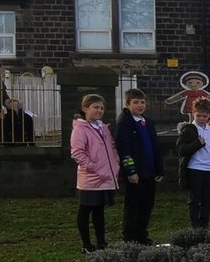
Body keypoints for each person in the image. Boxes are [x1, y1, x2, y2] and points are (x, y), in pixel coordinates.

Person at [70, 94, 120, 252]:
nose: (99, 110)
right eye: (95, 107)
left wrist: (116, 161)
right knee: (85, 210)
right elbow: (77, 153)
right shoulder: (80, 129)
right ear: (85, 108)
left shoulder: (103, 127)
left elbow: (111, 146)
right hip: (90, 178)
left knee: (99, 211)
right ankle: (86, 245)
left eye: (102, 108)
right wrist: (93, 167)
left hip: (104, 176)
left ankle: (101, 243)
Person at [116, 88, 164, 244]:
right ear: (128, 104)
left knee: (146, 206)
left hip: (149, 171)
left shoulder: (147, 122)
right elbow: (124, 149)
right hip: (136, 173)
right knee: (134, 206)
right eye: (136, 102)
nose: (140, 105)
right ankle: (130, 237)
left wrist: (159, 168)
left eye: (142, 102)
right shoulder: (125, 122)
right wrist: (130, 171)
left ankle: (142, 234)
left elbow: (155, 146)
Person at [176, 98, 210, 228]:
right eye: (198, 115)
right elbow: (181, 150)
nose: (201, 118)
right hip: (195, 168)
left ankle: (204, 223)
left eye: (205, 116)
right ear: (193, 114)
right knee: (195, 199)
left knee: (207, 198)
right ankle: (194, 224)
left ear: (209, 116)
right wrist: (197, 144)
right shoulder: (189, 129)